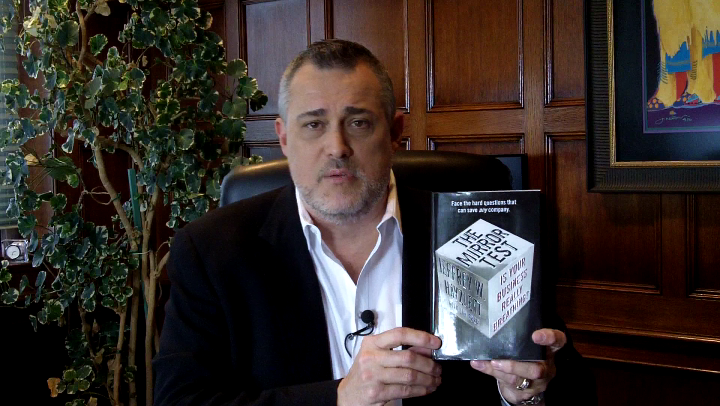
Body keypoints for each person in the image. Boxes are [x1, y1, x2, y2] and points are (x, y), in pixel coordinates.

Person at [154, 39, 594, 406]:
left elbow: (569, 388)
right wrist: (339, 398)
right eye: (314, 125)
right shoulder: (211, 251)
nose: (337, 147)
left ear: (395, 132)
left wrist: (526, 393)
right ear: (284, 138)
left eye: (359, 122)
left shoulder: (475, 234)